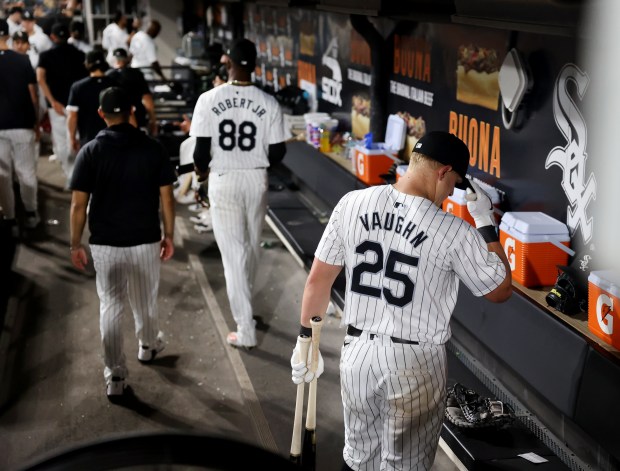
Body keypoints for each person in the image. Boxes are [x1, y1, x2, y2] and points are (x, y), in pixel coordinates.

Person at [290, 131, 513, 470]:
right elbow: (500, 289)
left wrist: (305, 339)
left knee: (359, 458)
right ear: (443, 171)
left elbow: (317, 282)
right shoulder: (454, 230)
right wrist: (485, 222)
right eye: (453, 182)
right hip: (415, 364)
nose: (451, 191)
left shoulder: (352, 203)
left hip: (358, 356)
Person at [69, 86, 176, 399]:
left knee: (111, 304)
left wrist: (75, 243)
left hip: (105, 242)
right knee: (145, 300)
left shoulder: (90, 151)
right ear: (132, 110)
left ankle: (115, 375)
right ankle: (147, 345)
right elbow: (167, 197)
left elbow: (78, 205)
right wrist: (168, 235)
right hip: (144, 240)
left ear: (101, 114)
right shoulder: (153, 148)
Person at [190, 38, 287, 348]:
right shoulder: (268, 101)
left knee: (234, 255)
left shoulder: (208, 99)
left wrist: (200, 177)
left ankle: (245, 329)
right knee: (250, 249)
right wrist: (255, 162)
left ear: (227, 62)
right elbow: (279, 152)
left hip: (224, 177)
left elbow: (201, 152)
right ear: (254, 65)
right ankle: (246, 311)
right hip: (256, 178)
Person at [0, 19, 40, 231]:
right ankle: (31, 213)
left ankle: (9, 218)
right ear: (8, 36)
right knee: (26, 171)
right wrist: (36, 122)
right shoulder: (23, 60)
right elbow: (33, 96)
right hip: (22, 123)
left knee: (3, 175)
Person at [36, 22, 87, 183]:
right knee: (77, 139)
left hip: (56, 105)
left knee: (62, 143)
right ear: (69, 35)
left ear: (53, 37)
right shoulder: (79, 54)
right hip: (77, 106)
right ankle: (79, 175)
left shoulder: (46, 56)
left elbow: (40, 78)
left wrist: (52, 101)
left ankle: (71, 176)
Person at [67, 49, 117, 152]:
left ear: (87, 64)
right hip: (114, 140)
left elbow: (72, 116)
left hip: (88, 141)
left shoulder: (78, 87)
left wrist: (72, 137)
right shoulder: (115, 85)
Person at [106, 47, 156, 135]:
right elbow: (147, 99)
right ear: (126, 59)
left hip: (114, 122)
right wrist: (153, 121)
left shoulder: (107, 76)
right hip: (138, 118)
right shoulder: (136, 74)